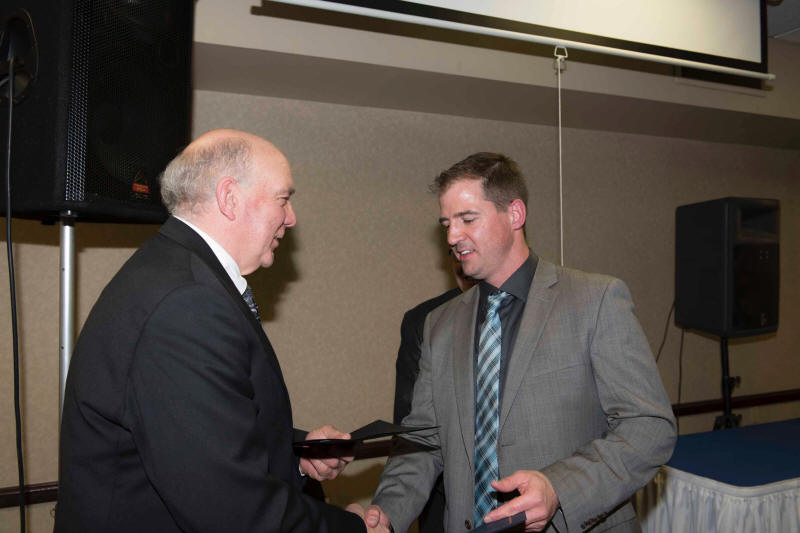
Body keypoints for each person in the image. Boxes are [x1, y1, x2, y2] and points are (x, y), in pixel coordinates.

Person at [55, 129, 387, 533]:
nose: (291, 218)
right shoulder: (186, 301)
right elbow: (230, 509)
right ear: (230, 198)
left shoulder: (174, 273)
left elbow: (194, 434)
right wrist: (353, 529)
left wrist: (294, 453)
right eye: (283, 199)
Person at [365, 153, 676, 533]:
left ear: (514, 215)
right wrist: (386, 514)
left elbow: (649, 427)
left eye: (467, 219)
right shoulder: (438, 325)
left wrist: (559, 487)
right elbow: (423, 441)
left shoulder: (595, 300)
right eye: (447, 224)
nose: (452, 237)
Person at [393, 251, 476, 533]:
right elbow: (413, 429)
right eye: (453, 251)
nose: (460, 262)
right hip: (442, 499)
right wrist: (388, 514)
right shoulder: (426, 320)